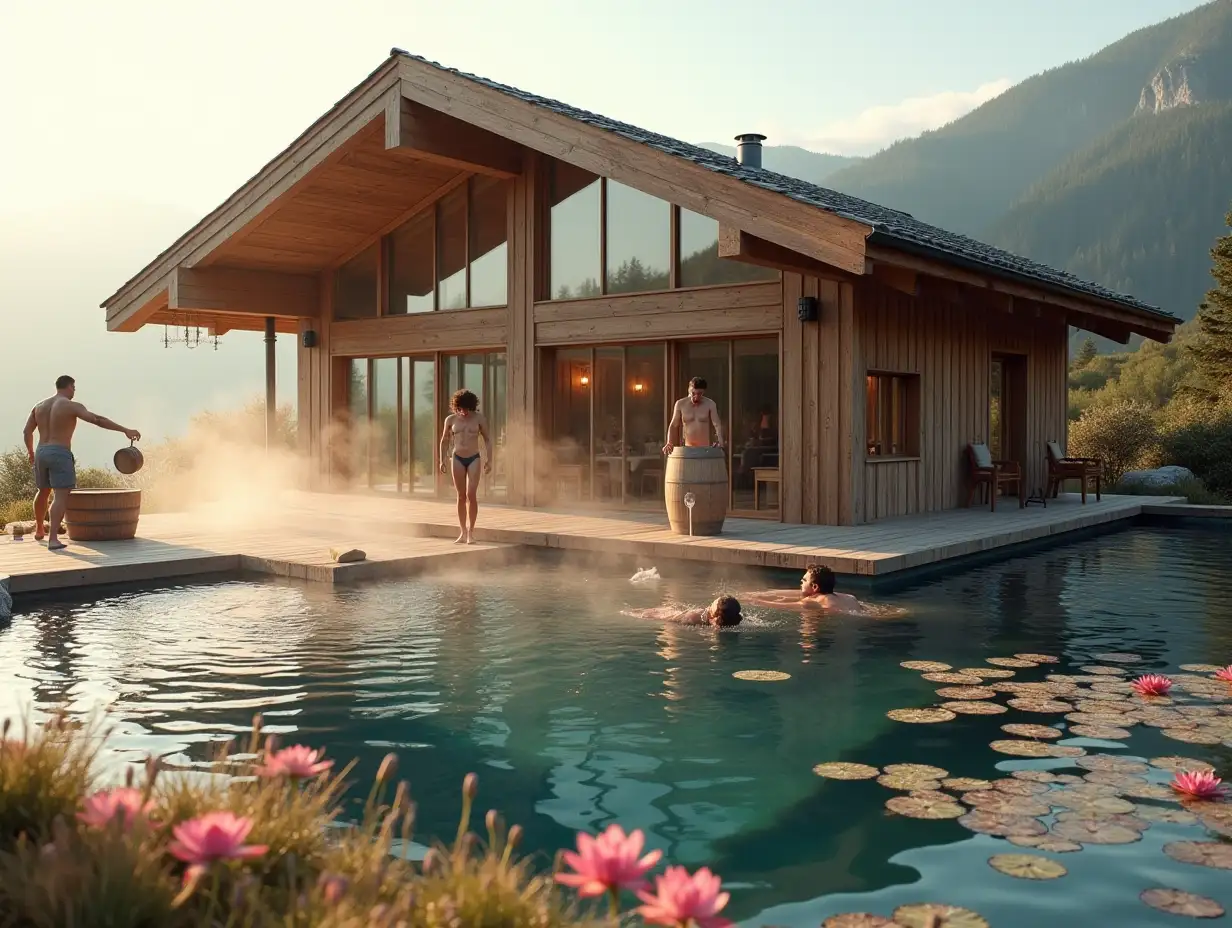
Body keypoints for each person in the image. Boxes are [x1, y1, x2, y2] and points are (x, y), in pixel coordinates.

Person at [22, 375, 140, 550]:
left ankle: (40, 529)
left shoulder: (39, 406)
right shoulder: (71, 406)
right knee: (61, 495)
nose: (74, 392)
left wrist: (31, 452)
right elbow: (97, 420)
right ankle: (53, 539)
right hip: (59, 452)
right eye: (74, 388)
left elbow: (27, 432)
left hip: (41, 452)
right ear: (69, 387)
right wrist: (125, 430)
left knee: (43, 490)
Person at [439, 389, 492, 545]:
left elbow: (488, 439)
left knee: (471, 494)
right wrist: (441, 460)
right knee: (461, 496)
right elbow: (444, 440)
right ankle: (462, 531)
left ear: (472, 407)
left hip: (474, 457)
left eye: (467, 409)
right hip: (457, 457)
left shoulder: (479, 419)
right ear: (456, 407)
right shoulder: (450, 420)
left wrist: (490, 460)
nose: (464, 412)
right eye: (461, 409)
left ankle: (471, 532)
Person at [744, 565, 871, 615]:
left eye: (804, 580)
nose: (801, 581)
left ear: (815, 587)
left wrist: (755, 601)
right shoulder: (849, 597)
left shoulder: (813, 602)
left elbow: (780, 606)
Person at [662, 377, 724, 455]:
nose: (696, 397)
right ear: (689, 390)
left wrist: (720, 441)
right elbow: (674, 425)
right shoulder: (680, 404)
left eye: (699, 394)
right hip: (687, 448)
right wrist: (669, 442)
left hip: (705, 449)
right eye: (693, 393)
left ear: (703, 392)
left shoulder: (710, 404)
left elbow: (717, 424)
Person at [625, 595, 743, 627]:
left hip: (671, 618)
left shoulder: (695, 616)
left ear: (714, 613)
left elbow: (668, 618)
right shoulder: (733, 617)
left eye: (714, 603)